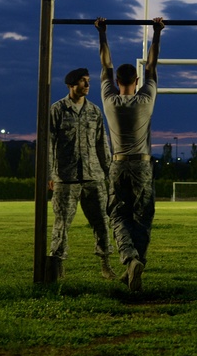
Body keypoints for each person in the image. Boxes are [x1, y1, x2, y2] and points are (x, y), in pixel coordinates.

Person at [95, 16, 164, 292]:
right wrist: (156, 33)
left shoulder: (109, 101)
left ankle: (130, 261)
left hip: (118, 164)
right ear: (136, 80)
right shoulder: (145, 99)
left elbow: (105, 64)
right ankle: (137, 262)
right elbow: (152, 65)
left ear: (116, 81)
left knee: (119, 216)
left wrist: (102, 33)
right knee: (142, 217)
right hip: (142, 166)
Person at [47, 67, 115, 281]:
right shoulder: (57, 110)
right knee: (62, 224)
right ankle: (57, 267)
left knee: (102, 223)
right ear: (71, 85)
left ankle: (106, 265)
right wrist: (49, 174)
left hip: (93, 177)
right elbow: (49, 144)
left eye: (88, 81)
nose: (87, 85)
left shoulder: (94, 111)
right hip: (66, 178)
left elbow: (102, 144)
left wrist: (108, 173)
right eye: (82, 82)